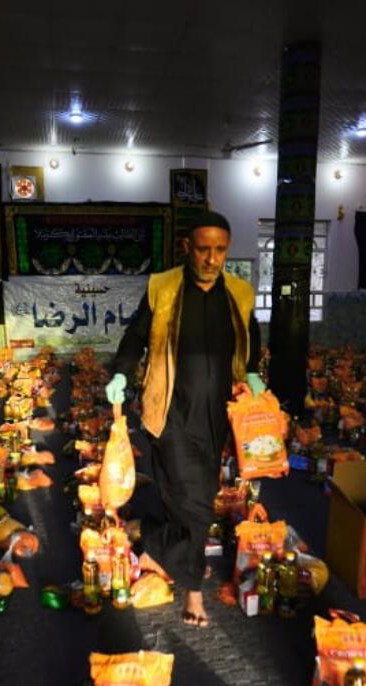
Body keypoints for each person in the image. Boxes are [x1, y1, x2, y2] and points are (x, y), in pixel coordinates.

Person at [107, 211, 264, 627]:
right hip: (170, 412)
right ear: (186, 248)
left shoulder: (240, 292)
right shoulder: (163, 287)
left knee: (197, 498)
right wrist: (122, 372)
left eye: (220, 250)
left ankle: (157, 543)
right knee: (194, 505)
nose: (212, 258)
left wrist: (252, 372)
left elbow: (252, 338)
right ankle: (193, 593)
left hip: (217, 417)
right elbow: (136, 335)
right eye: (203, 249)